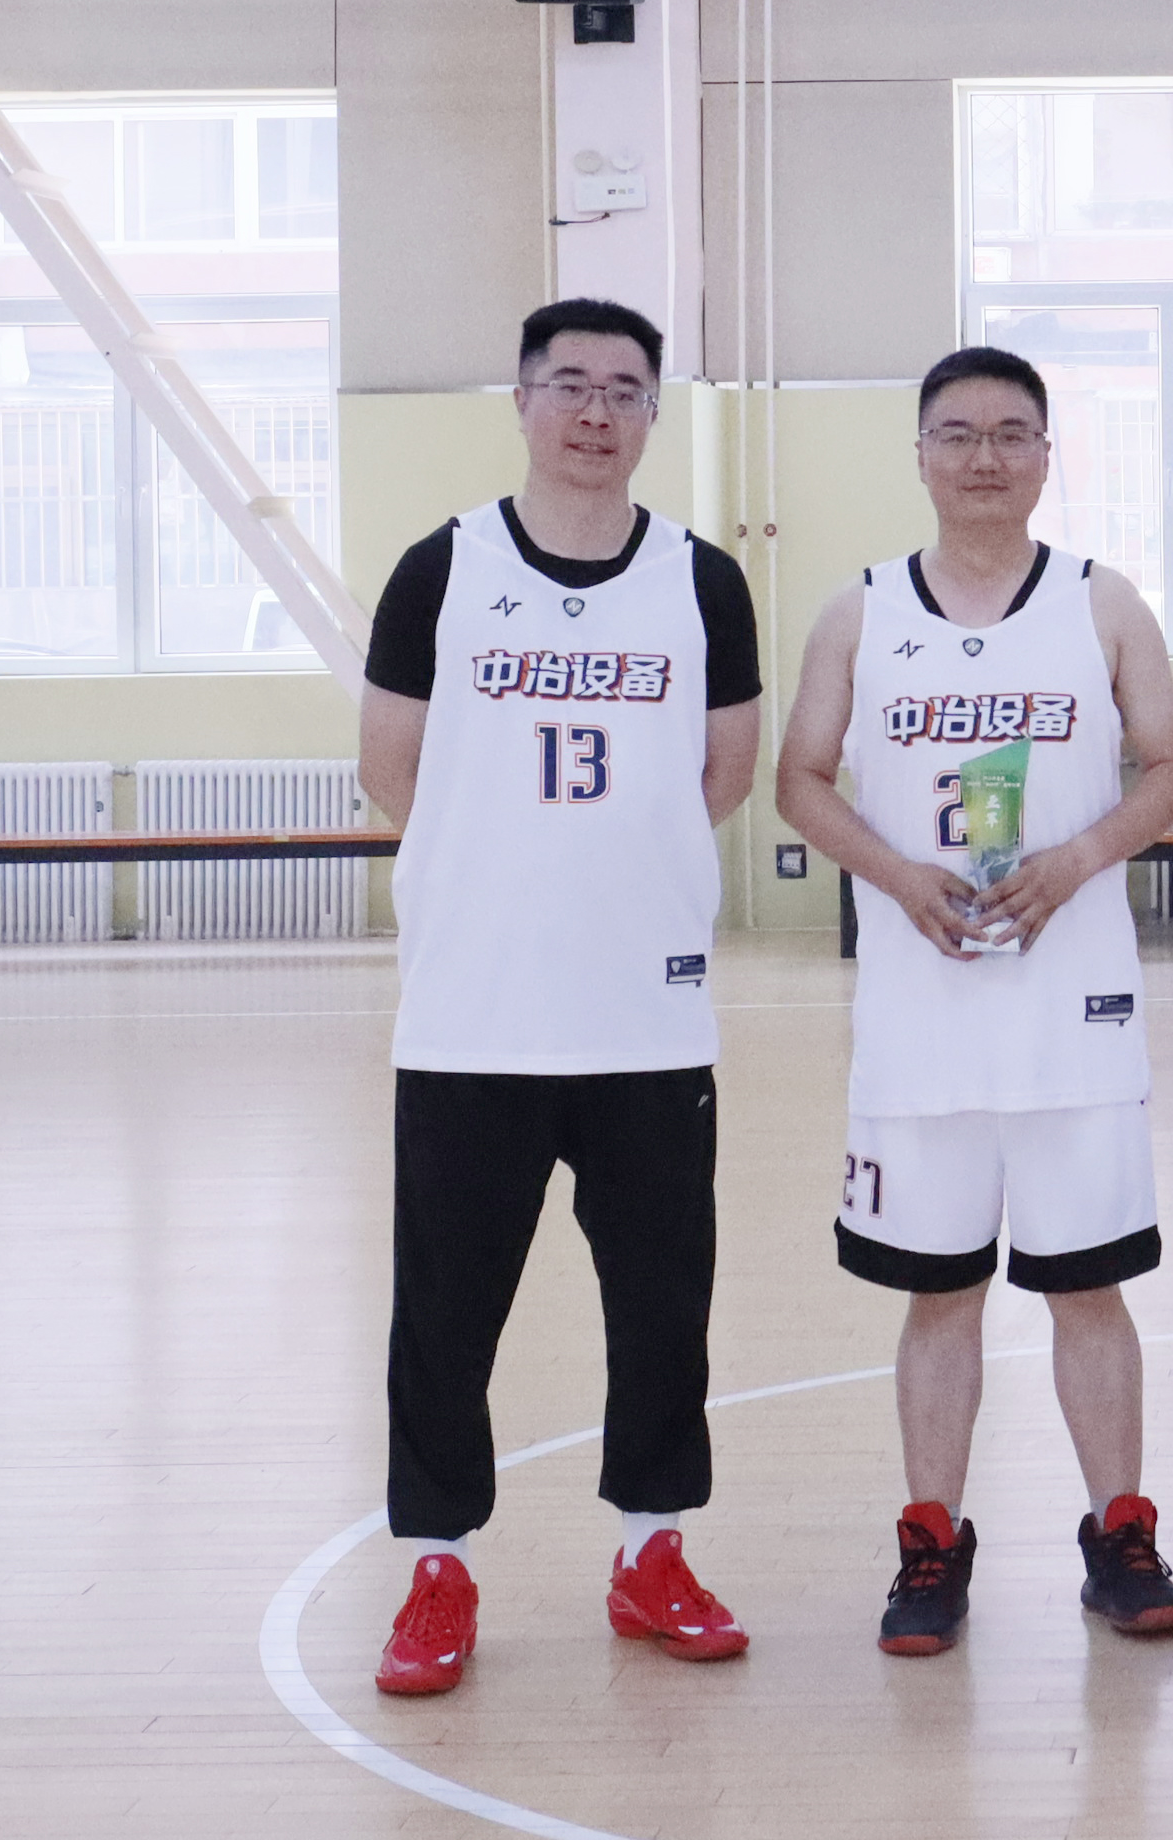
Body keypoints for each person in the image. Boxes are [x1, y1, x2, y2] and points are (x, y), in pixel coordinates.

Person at [356, 297, 762, 1696]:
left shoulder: (703, 582)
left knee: (661, 1307)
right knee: (445, 1316)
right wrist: (501, 878)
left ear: (654, 413)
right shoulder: (443, 569)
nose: (597, 411)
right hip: (473, 1017)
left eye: (625, 389)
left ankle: (652, 1550)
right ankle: (437, 1568)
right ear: (523, 400)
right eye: (571, 384)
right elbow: (392, 769)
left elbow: (723, 773)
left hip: (646, 1018)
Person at [774, 344, 1173, 1657]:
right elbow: (799, 779)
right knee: (940, 1294)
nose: (984, 456)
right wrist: (898, 877)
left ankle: (1120, 1536)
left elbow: (1172, 766)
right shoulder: (858, 613)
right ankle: (931, 1543)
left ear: (1046, 456)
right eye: (957, 433)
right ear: (919, 455)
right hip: (925, 1012)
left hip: (1074, 1008)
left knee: (1089, 1289)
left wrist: (1077, 859)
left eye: (1012, 433)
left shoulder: (1101, 602)